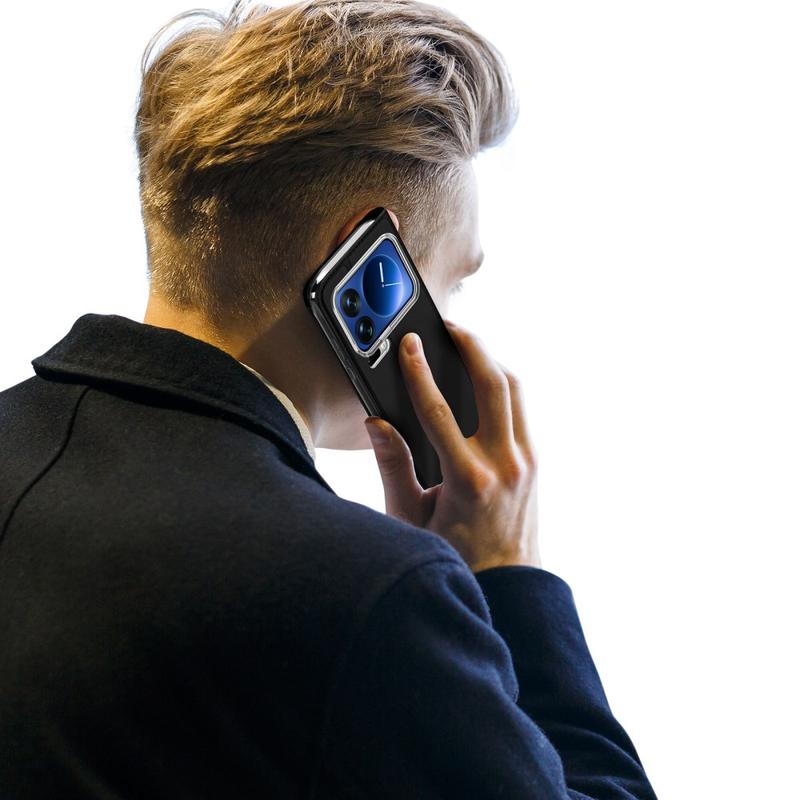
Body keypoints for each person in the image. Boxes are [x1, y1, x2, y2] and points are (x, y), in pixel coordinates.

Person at [0, 1, 657, 797]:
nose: (453, 324)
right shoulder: (370, 593)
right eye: (453, 282)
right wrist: (508, 575)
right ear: (371, 277)